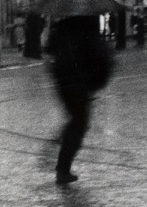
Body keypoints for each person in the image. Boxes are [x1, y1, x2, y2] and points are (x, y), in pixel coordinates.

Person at [47, 14, 113, 186]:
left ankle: (62, 164)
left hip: (63, 81)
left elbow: (50, 49)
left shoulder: (61, 28)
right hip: (79, 82)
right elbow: (96, 54)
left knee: (76, 120)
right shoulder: (86, 27)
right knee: (79, 123)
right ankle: (63, 169)